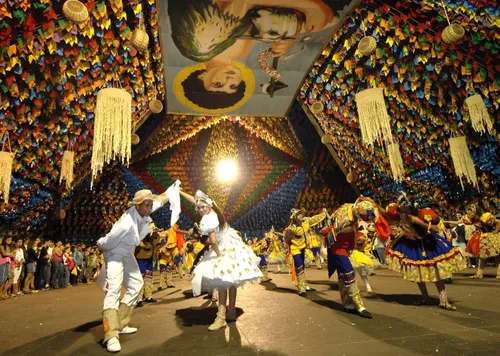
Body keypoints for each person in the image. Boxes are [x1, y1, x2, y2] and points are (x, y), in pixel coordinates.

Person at [97, 184, 179, 353]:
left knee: (136, 285)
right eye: (146, 205)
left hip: (127, 253)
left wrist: (173, 189)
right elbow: (108, 243)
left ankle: (120, 323)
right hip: (114, 253)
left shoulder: (146, 210)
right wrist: (100, 246)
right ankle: (111, 334)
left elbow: (160, 200)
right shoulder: (125, 224)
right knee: (113, 290)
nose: (150, 208)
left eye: (150, 204)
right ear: (137, 205)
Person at [179, 189, 262, 331]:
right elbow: (195, 200)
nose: (199, 210)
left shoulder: (209, 218)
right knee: (231, 280)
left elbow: (213, 241)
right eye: (198, 208)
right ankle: (231, 312)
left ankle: (221, 316)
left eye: (202, 207)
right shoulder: (212, 210)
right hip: (232, 243)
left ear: (209, 206)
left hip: (224, 247)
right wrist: (180, 192)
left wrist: (218, 255)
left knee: (223, 280)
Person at [384, 195, 467, 311]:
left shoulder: (412, 218)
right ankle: (425, 297)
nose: (399, 207)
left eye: (402, 206)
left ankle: (444, 300)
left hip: (426, 244)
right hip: (413, 245)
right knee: (418, 273)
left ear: (408, 207)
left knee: (436, 271)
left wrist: (428, 227)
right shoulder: (401, 216)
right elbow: (386, 215)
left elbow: (433, 228)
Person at [320, 198, 386, 318]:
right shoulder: (346, 220)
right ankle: (359, 305)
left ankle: (347, 304)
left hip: (347, 248)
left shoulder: (350, 207)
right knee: (349, 273)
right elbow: (330, 231)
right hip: (338, 248)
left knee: (342, 276)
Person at [283, 208, 327, 296]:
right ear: (294, 217)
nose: (300, 215)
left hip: (303, 248)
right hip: (295, 249)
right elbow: (286, 238)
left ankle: (305, 285)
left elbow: (314, 219)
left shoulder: (305, 223)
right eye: (298, 214)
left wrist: (323, 214)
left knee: (302, 267)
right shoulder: (291, 228)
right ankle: (301, 289)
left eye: (301, 214)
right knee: (299, 267)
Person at [466, 212, 500, 279]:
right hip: (490, 237)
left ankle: (498, 274)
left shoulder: (491, 219)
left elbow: (498, 223)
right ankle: (479, 273)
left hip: (496, 237)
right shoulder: (479, 221)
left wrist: (496, 231)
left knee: (498, 256)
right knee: (482, 256)